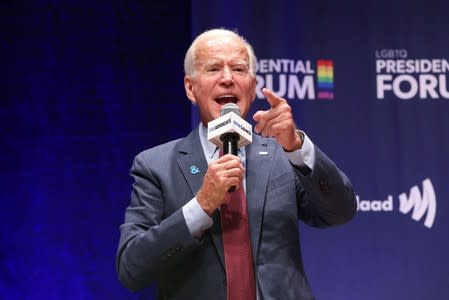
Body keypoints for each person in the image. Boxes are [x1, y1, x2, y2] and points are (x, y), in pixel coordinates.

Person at [116, 28, 356, 300]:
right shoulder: (155, 165)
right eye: (213, 68)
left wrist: (296, 147)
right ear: (190, 88)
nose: (227, 78)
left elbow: (340, 211)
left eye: (239, 69)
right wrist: (202, 205)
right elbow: (131, 268)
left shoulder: (282, 154)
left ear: (253, 88)